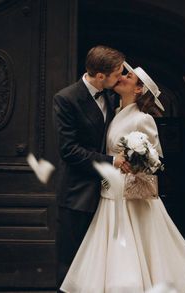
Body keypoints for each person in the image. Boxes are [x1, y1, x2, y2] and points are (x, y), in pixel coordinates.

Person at [60, 61, 185, 293]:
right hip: (110, 191)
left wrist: (136, 155)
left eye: (128, 77)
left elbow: (155, 160)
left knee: (135, 247)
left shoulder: (143, 118)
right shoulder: (115, 112)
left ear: (139, 89)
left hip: (132, 197)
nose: (122, 77)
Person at [53, 45, 131, 291]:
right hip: (78, 193)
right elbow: (69, 150)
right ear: (100, 76)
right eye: (117, 73)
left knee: (101, 262)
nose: (121, 77)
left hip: (109, 196)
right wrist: (111, 162)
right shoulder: (66, 99)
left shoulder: (110, 94)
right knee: (72, 262)